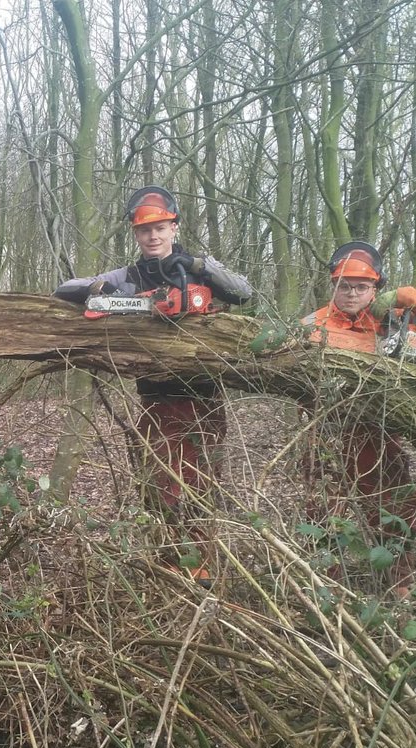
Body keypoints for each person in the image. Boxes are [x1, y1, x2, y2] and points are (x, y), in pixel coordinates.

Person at [53, 185, 253, 582]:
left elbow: (243, 292)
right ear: (136, 234)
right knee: (157, 479)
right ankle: (166, 557)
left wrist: (199, 266)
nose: (153, 236)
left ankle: (201, 562)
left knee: (200, 480)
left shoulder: (198, 267)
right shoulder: (128, 277)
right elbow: (65, 288)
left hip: (202, 392)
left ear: (173, 227)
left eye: (160, 228)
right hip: (155, 394)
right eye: (145, 231)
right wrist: (99, 290)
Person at [302, 241, 416, 595]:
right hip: (326, 429)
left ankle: (399, 583)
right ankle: (327, 587)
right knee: (324, 510)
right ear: (333, 285)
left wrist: (406, 296)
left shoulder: (391, 320)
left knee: (394, 504)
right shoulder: (312, 324)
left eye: (361, 287)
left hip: (378, 428)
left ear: (375, 288)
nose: (351, 293)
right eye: (344, 285)